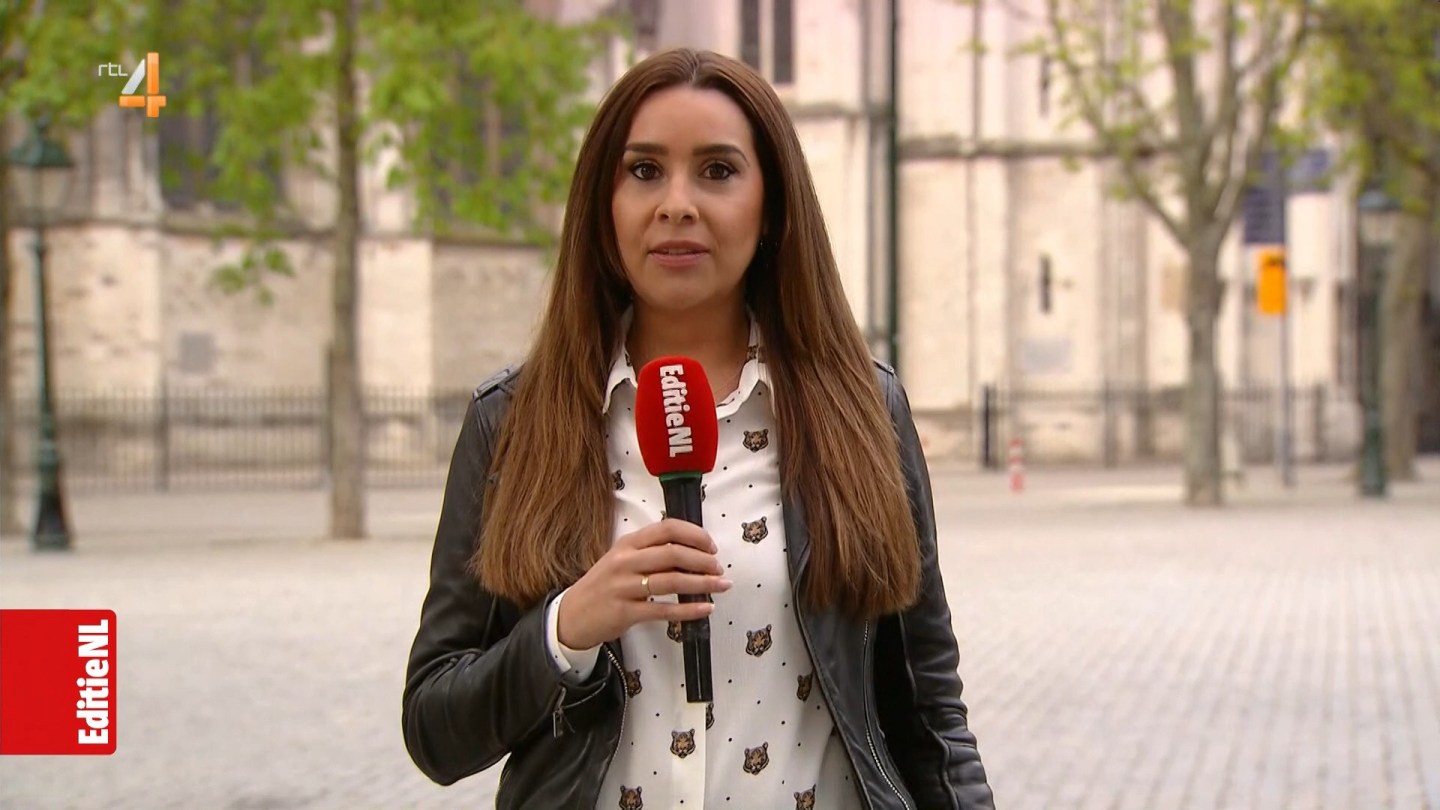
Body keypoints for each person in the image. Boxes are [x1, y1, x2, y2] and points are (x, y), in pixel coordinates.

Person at [402, 47, 994, 810]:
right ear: (603, 204)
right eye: (645, 170)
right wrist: (565, 629)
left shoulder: (864, 412)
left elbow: (930, 712)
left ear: (771, 206)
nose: (676, 203)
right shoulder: (511, 423)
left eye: (717, 171)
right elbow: (435, 727)